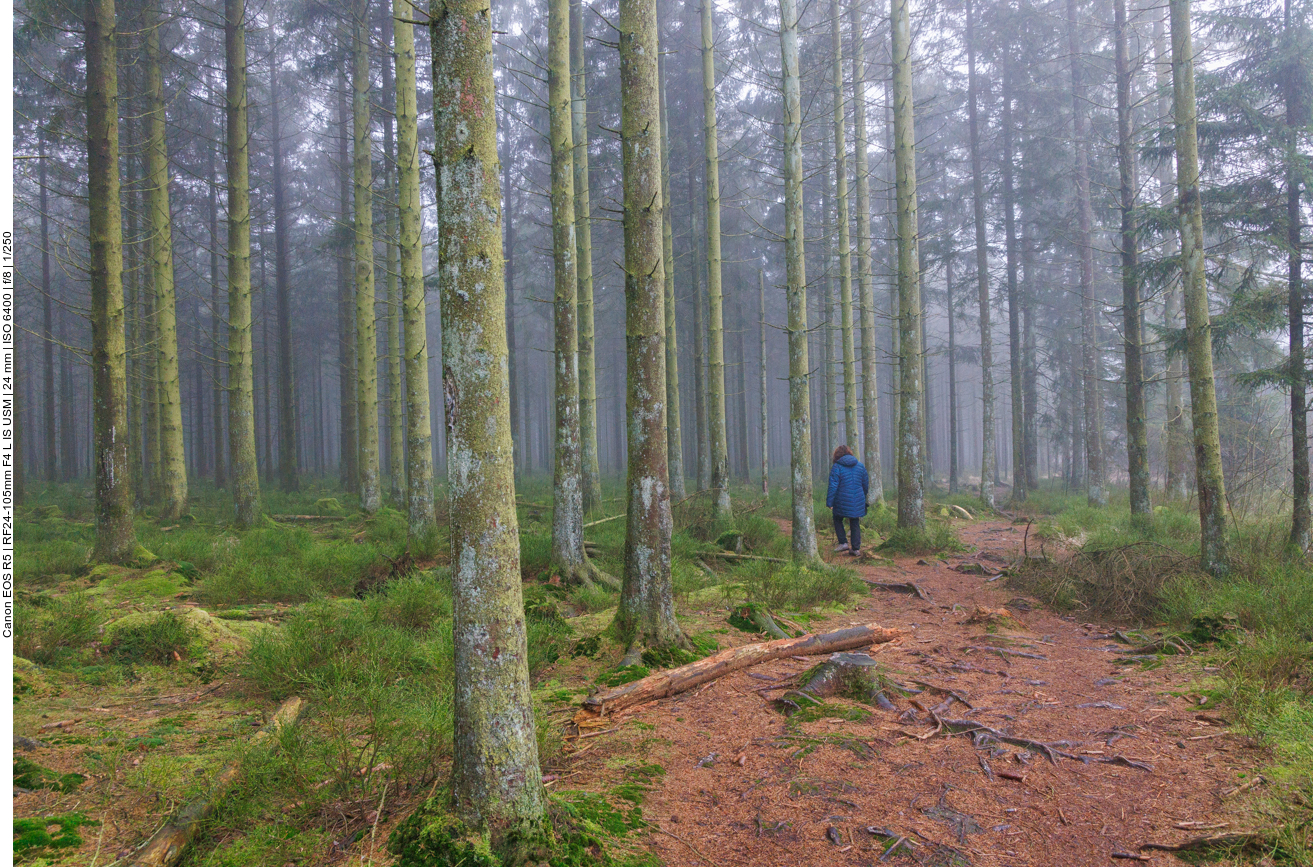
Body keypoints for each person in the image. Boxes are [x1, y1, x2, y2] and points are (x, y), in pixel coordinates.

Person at [826, 444, 869, 555]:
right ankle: (855, 549)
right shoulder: (860, 466)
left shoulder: (837, 467)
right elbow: (865, 484)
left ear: (837, 455)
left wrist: (829, 502)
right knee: (855, 521)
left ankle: (843, 543)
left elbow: (833, 485)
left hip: (841, 499)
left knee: (837, 518)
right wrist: (862, 496)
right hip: (858, 499)